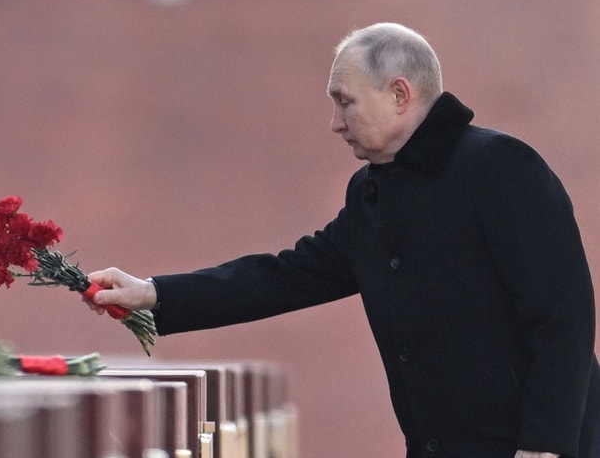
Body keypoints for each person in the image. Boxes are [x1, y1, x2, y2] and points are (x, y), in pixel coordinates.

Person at [85, 23, 600, 458]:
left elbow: (564, 317)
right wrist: (153, 294)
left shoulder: (500, 167)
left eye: (345, 102)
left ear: (399, 95)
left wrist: (544, 446)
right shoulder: (372, 191)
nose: (335, 124)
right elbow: (284, 276)